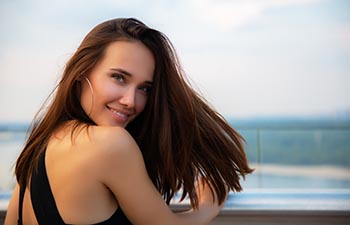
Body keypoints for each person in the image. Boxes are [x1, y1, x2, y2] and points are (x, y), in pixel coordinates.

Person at [5, 18, 253, 225]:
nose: (131, 101)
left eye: (144, 88)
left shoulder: (43, 142)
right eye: (119, 78)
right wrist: (206, 207)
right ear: (81, 73)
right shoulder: (111, 144)